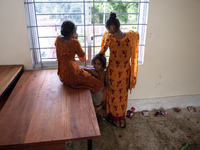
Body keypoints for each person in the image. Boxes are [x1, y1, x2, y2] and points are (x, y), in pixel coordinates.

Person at [98, 12, 139, 128]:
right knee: (123, 95)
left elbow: (102, 52)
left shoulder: (110, 38)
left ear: (112, 27)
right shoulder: (131, 36)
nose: (108, 31)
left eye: (108, 29)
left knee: (114, 96)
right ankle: (122, 119)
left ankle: (116, 121)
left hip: (114, 73)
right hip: (126, 72)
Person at [55, 20, 104, 94]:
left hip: (62, 75)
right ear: (73, 32)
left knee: (86, 71)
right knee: (98, 84)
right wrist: (76, 39)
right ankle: (98, 105)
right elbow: (82, 57)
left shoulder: (58, 39)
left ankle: (92, 73)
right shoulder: (74, 42)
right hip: (72, 74)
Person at [84, 54, 108, 124]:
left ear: (102, 65)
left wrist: (103, 89)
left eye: (98, 64)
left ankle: (99, 116)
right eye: (94, 63)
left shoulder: (104, 73)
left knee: (98, 95)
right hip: (94, 92)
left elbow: (107, 84)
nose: (96, 65)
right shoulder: (93, 72)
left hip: (101, 92)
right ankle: (95, 114)